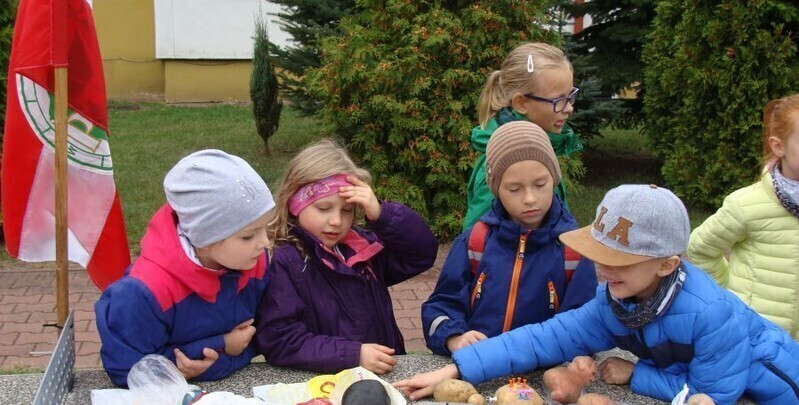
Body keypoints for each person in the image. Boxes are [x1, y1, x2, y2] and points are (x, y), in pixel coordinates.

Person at [396, 184, 799, 405]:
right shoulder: (618, 297)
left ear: (666, 264)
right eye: (599, 254)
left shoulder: (710, 312)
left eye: (619, 260)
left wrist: (636, 373)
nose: (603, 269)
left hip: (781, 400)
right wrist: (455, 368)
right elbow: (545, 337)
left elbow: (712, 397)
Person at [254, 139, 438, 375]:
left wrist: (381, 214)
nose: (336, 221)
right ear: (294, 204)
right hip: (326, 384)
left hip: (382, 373)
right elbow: (280, 339)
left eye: (347, 210)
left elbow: (420, 254)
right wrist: (352, 355)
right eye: (323, 208)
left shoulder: (362, 248)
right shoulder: (284, 260)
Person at [95, 150, 275, 387]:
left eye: (265, 228)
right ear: (205, 237)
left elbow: (265, 335)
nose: (265, 243)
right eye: (248, 236)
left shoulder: (252, 261)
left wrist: (219, 361)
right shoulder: (143, 293)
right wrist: (218, 346)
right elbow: (127, 370)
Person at [423, 121, 596, 356]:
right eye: (514, 189)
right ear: (496, 189)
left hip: (544, 375)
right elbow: (442, 305)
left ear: (554, 179)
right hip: (480, 368)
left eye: (540, 184)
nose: (529, 198)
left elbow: (585, 323)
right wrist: (454, 337)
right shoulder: (475, 242)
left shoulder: (573, 250)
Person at [688, 94, 799, 341]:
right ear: (778, 146)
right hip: (757, 341)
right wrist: (730, 296)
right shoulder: (747, 205)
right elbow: (700, 249)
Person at [463, 42, 584, 231]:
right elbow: (476, 241)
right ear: (521, 103)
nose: (569, 108)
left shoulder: (539, 147)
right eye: (559, 100)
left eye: (570, 97)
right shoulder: (505, 163)